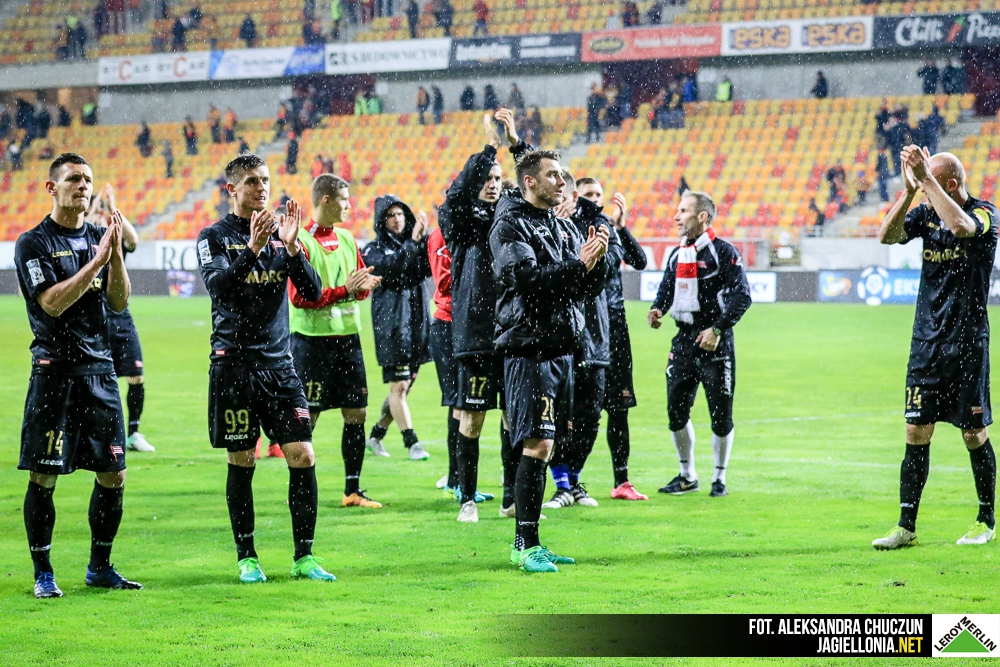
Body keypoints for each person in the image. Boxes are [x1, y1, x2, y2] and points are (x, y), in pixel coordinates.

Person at [197, 154, 336, 583]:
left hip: (279, 365)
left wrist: (292, 249)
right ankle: (247, 557)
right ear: (232, 189)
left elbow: (312, 292)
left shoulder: (282, 235)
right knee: (242, 459)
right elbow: (219, 289)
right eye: (252, 181)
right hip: (233, 365)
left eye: (266, 180)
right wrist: (253, 249)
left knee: (303, 454)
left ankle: (304, 557)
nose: (262, 188)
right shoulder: (213, 236)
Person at [15, 153, 141, 598]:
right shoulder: (33, 243)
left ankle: (100, 566)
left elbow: (119, 302)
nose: (83, 185)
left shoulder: (98, 237)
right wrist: (96, 263)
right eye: (73, 178)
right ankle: (43, 572)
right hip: (55, 374)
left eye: (88, 179)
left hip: (100, 372)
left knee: (113, 473)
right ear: (52, 188)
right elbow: (51, 303)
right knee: (44, 475)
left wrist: (115, 256)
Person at [490, 150, 611, 572]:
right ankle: (525, 545)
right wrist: (578, 264)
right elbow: (526, 280)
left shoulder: (562, 226)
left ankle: (531, 542)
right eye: (553, 175)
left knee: (546, 445)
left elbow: (584, 288)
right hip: (530, 348)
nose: (562, 182)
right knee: (536, 443)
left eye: (562, 175)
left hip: (562, 349)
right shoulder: (510, 225)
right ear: (529, 182)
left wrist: (597, 262)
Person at [873, 148, 999, 550]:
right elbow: (886, 236)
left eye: (932, 186)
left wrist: (926, 180)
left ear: (950, 184)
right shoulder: (925, 213)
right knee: (916, 431)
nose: (927, 196)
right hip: (925, 344)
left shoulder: (985, 214)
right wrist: (910, 191)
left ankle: (986, 520)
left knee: (973, 433)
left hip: (967, 344)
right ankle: (905, 527)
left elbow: (961, 227)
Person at [440, 109, 525, 522]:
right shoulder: (458, 220)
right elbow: (457, 193)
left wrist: (516, 144)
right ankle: (468, 499)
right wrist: (491, 147)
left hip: (511, 333)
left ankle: (511, 499)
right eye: (486, 178)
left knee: (512, 419)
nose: (492, 184)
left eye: (497, 178)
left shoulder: (509, 219)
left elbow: (535, 184)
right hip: (474, 335)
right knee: (472, 420)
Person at [648, 191, 752, 498]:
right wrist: (657, 309)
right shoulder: (677, 254)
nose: (676, 216)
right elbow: (666, 290)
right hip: (683, 342)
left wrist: (717, 329)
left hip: (715, 344)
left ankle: (719, 477)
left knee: (721, 415)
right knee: (676, 412)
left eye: (683, 211)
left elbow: (742, 296)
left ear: (702, 216)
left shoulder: (724, 252)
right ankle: (687, 476)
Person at [289, 174, 384, 509]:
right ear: (326, 200)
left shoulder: (346, 238)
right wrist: (345, 290)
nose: (349, 205)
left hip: (348, 341)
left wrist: (363, 287)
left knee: (357, 413)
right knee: (308, 418)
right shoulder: (300, 241)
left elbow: (355, 287)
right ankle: (301, 490)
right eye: (344, 199)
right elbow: (299, 297)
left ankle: (352, 491)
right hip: (312, 343)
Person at [542, 170, 618, 510]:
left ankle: (573, 479)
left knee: (590, 418)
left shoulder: (601, 226)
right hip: (561, 338)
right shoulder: (545, 227)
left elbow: (611, 266)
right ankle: (561, 484)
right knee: (559, 417)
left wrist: (595, 245)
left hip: (595, 338)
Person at [579, 178, 648, 500]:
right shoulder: (574, 229)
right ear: (576, 197)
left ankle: (622, 481)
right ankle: (569, 480)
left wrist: (620, 226)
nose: (595, 199)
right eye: (588, 194)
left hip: (616, 328)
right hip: (588, 329)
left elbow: (640, 261)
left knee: (619, 408)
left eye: (598, 194)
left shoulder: (609, 229)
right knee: (583, 410)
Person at [361, 196, 432, 460]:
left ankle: (376, 435)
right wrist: (414, 243)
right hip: (391, 327)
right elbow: (394, 268)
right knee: (399, 387)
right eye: (390, 215)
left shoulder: (412, 245)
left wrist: (423, 241)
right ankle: (412, 443)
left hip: (416, 325)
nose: (397, 219)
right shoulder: (372, 250)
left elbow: (426, 268)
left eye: (400, 214)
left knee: (405, 387)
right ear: (382, 220)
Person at [86, 184, 155, 454]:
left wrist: (113, 206)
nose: (98, 214)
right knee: (97, 377)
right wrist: (92, 211)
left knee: (136, 374)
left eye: (100, 211)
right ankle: (98, 433)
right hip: (93, 317)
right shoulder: (82, 242)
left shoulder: (112, 239)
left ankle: (133, 433)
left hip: (120, 315)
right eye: (95, 211)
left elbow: (133, 239)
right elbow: (86, 223)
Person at [427, 223, 463, 499]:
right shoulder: (441, 235)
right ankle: (455, 479)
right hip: (449, 325)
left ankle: (460, 478)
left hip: (474, 326)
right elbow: (444, 282)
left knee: (470, 403)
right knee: (458, 403)